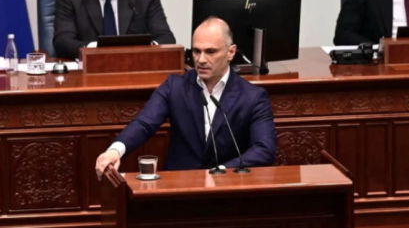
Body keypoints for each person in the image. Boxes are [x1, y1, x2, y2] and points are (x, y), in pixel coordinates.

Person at [95, 17, 277, 179]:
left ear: (231, 52)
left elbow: (264, 149)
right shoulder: (175, 87)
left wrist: (223, 171)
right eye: (196, 51)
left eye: (210, 52)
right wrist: (115, 150)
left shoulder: (253, 97)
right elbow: (144, 123)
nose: (201, 59)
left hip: (228, 189)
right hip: (178, 186)